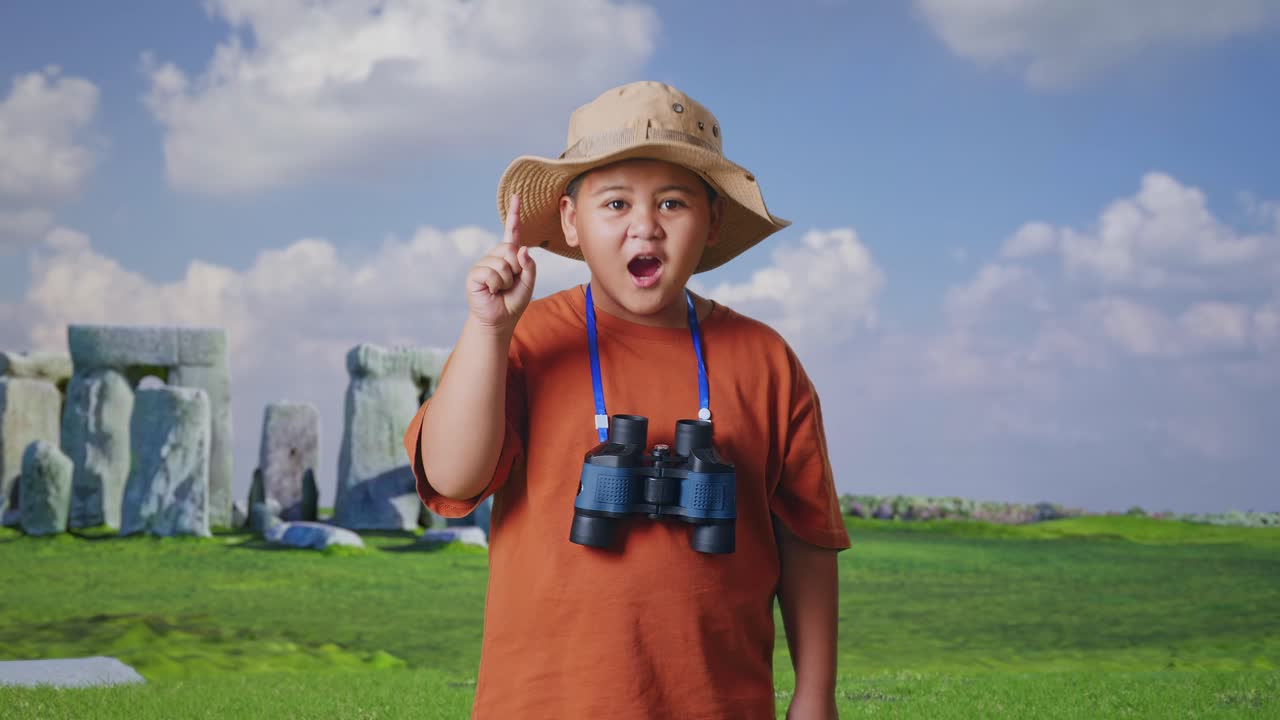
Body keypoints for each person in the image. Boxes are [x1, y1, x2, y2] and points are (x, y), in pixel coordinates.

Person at [403, 81, 850, 719]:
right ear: (569, 221)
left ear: (713, 221)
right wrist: (489, 329)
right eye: (615, 203)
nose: (645, 225)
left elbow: (807, 540)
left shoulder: (766, 360)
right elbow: (452, 478)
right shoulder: (521, 339)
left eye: (673, 203)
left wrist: (815, 695)